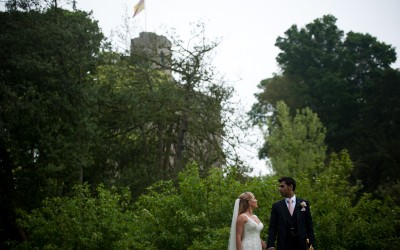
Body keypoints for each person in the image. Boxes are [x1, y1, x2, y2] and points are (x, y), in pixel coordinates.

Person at [266, 177, 315, 250]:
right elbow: (272, 227)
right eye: (279, 186)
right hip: (283, 245)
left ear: (290, 187)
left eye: (282, 186)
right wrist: (270, 245)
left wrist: (311, 244)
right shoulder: (276, 206)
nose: (279, 189)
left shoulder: (304, 203)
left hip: (302, 245)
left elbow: (309, 226)